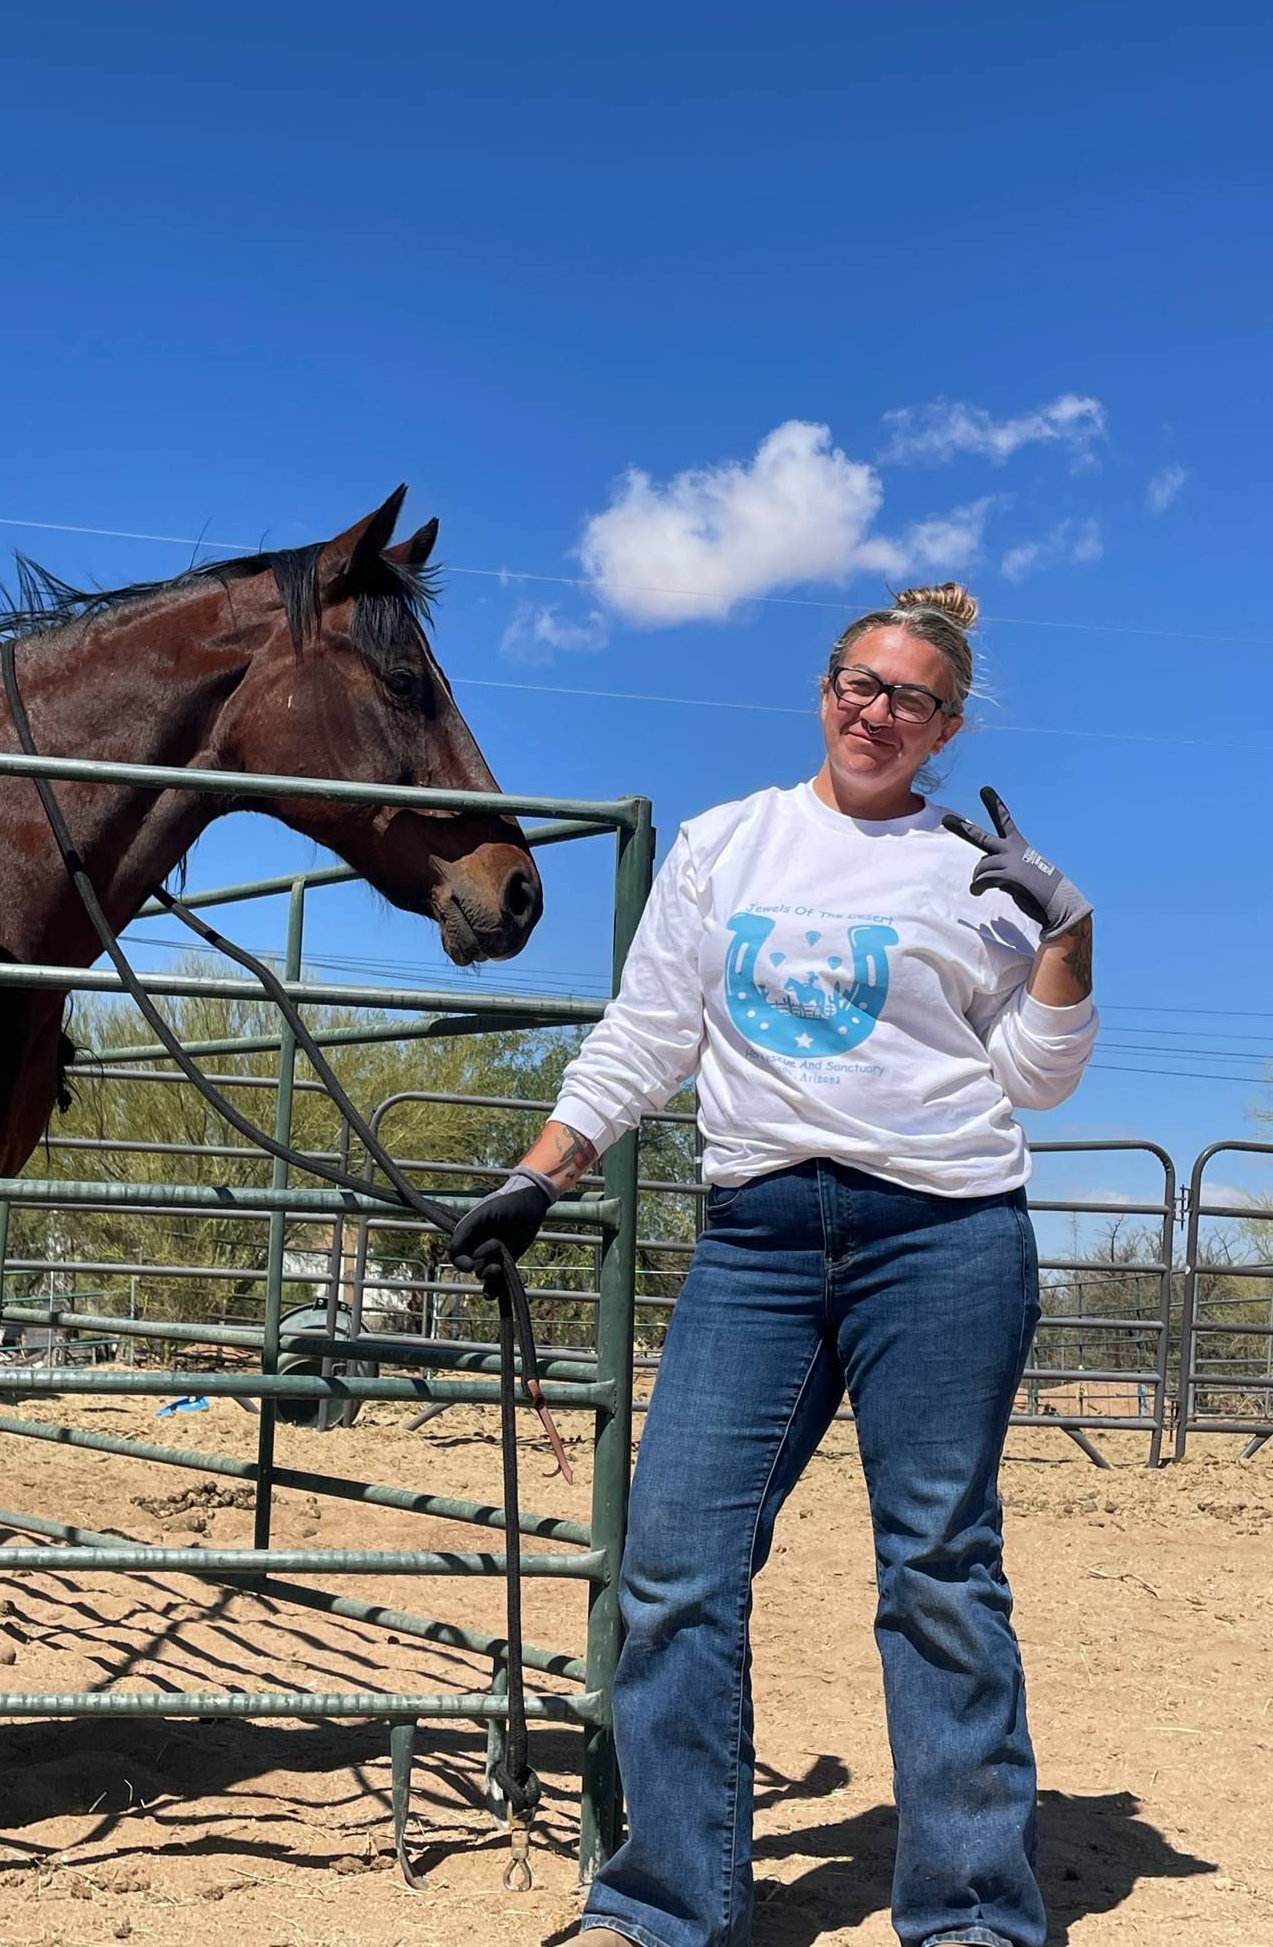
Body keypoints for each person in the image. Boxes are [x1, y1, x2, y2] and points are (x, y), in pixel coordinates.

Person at [449, 583, 1096, 1947]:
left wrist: (1064, 945)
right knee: (677, 1566)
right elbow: (644, 1035)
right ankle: (672, 1901)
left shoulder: (972, 878)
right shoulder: (726, 844)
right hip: (758, 1240)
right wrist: (537, 1174)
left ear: (946, 726)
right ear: (824, 689)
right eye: (860, 683)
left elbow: (1037, 1085)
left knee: (939, 1569)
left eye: (910, 699)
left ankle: (975, 1912)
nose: (877, 711)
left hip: (945, 1236)